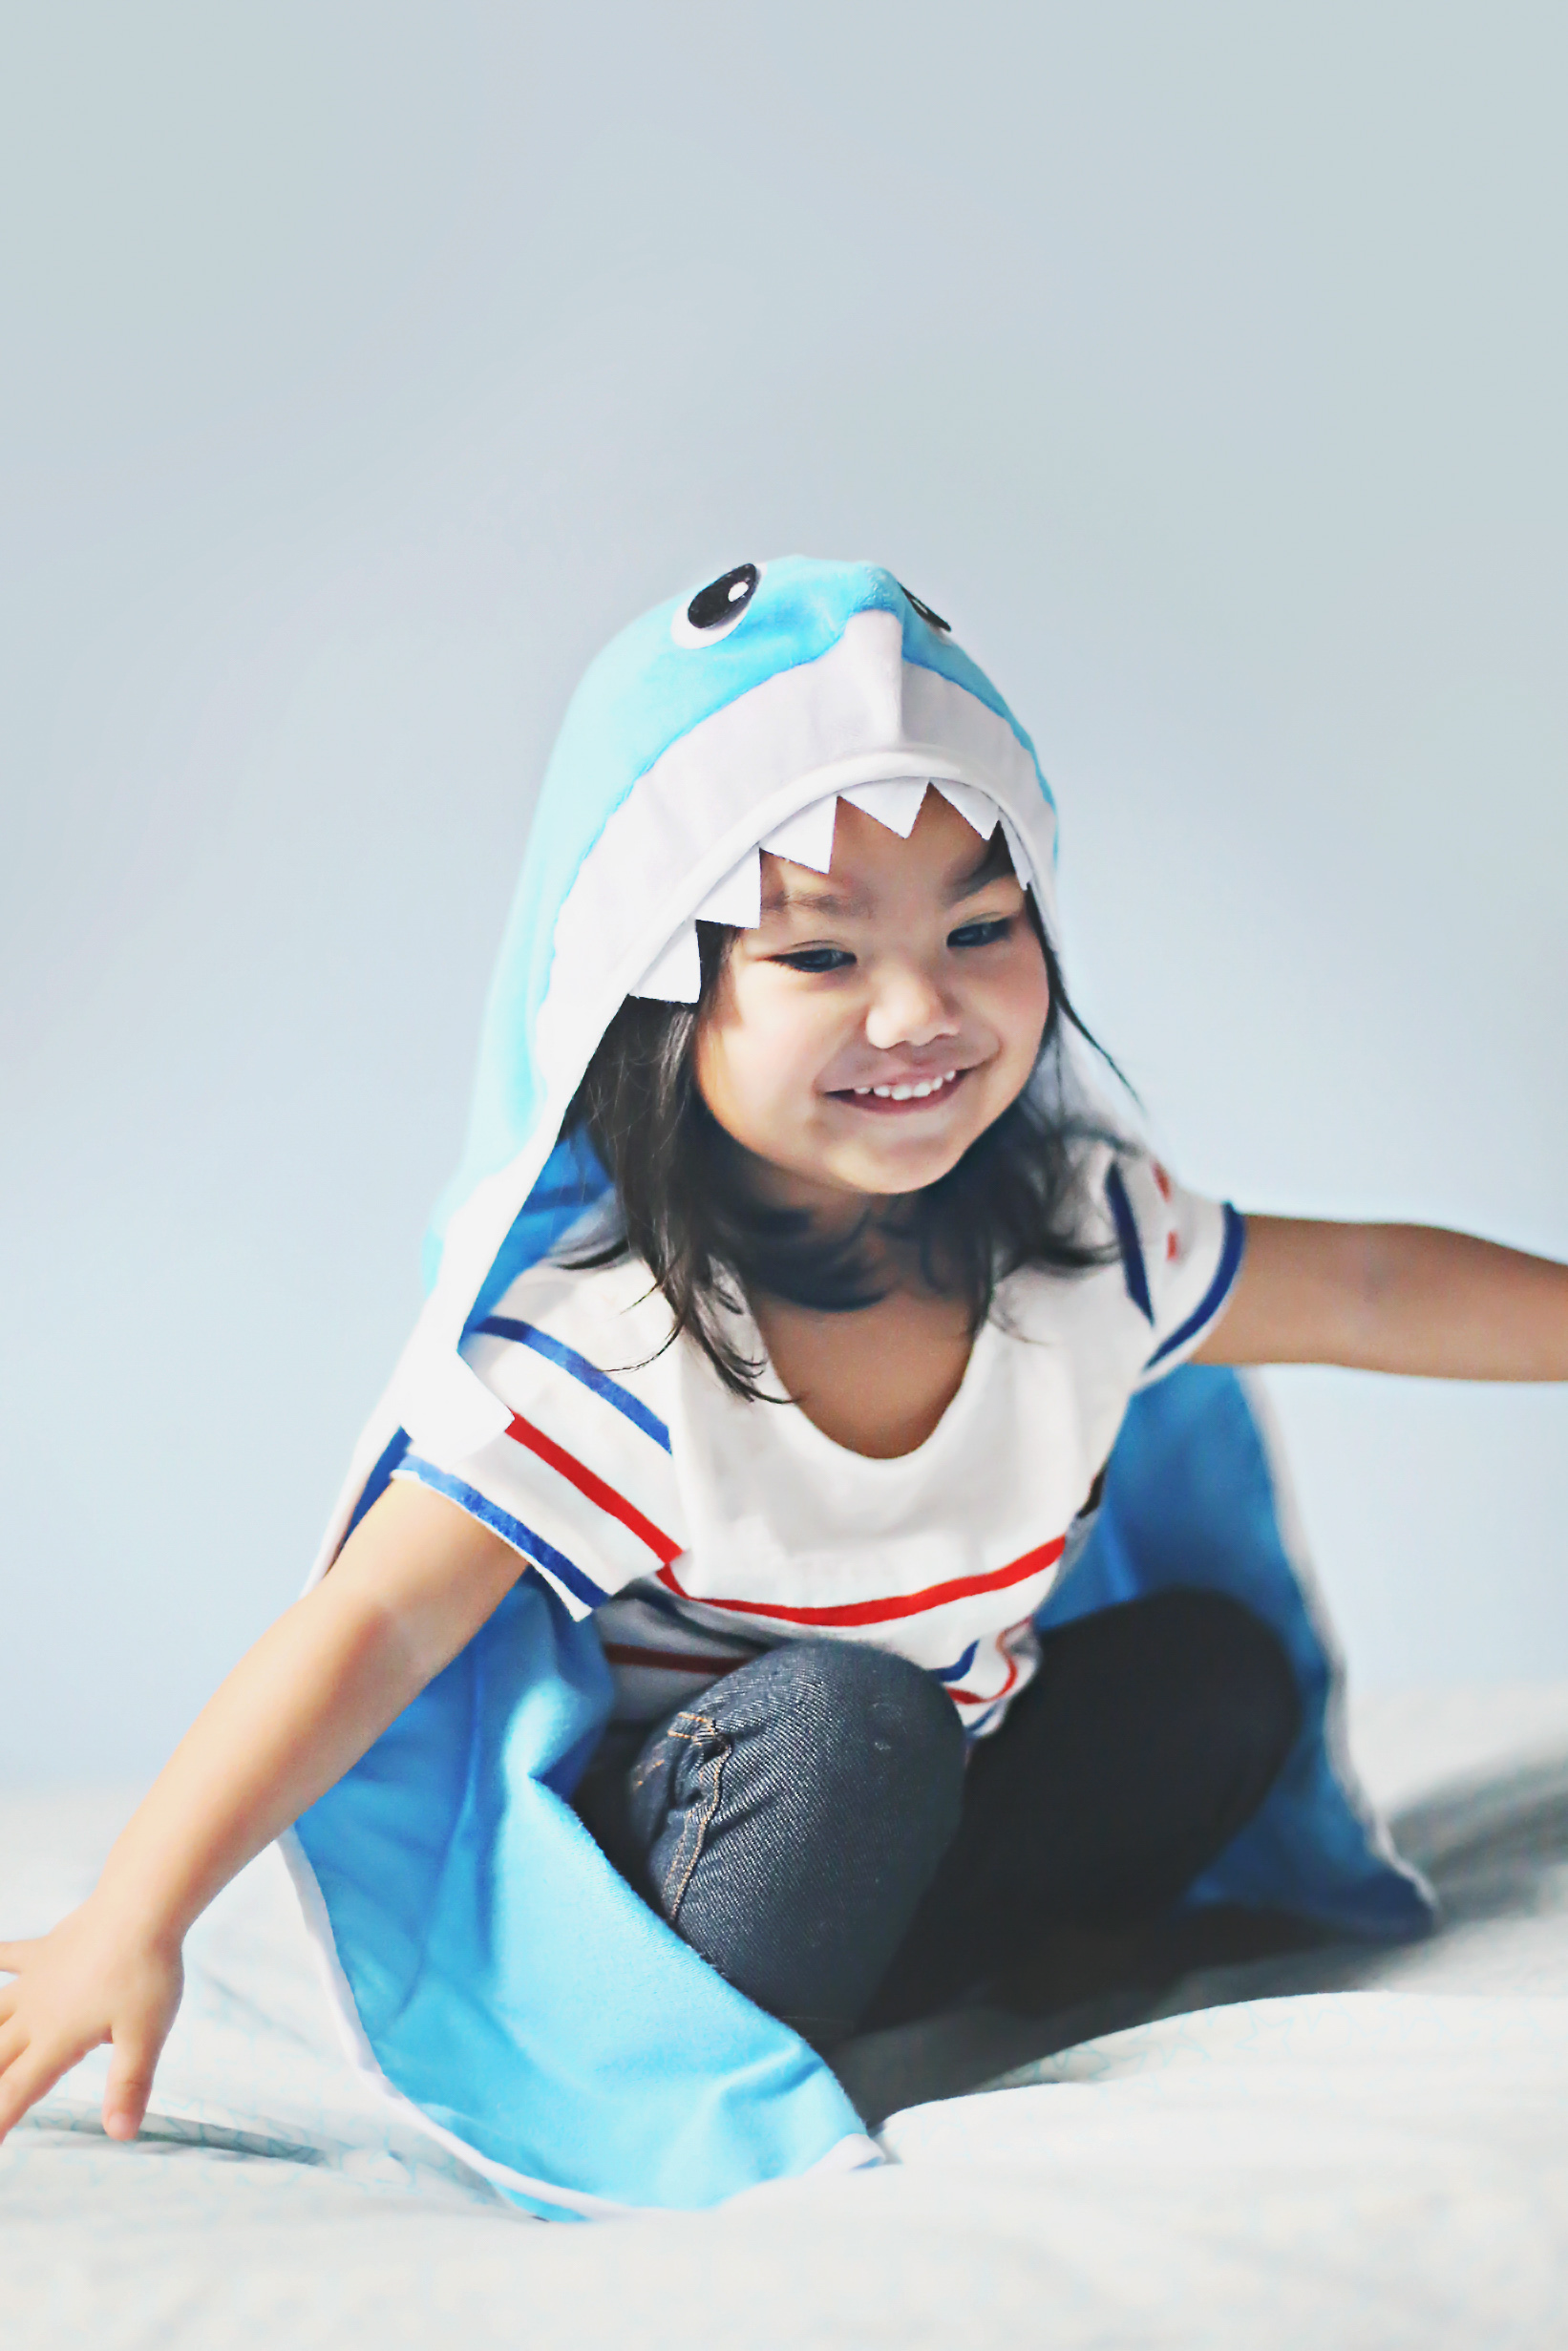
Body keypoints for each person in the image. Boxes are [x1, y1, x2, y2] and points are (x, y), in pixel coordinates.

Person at [2, 557, 1564, 2213]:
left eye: (979, 928)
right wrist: (135, 1913)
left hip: (936, 1832)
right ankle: (738, 2032)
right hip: (726, 1860)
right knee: (848, 1726)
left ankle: (978, 1964)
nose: (919, 1007)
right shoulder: (616, 1340)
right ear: (663, 1001)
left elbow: (1371, 1286)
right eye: (820, 956)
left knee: (1213, 1674)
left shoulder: (1081, 1238)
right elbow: (375, 1623)